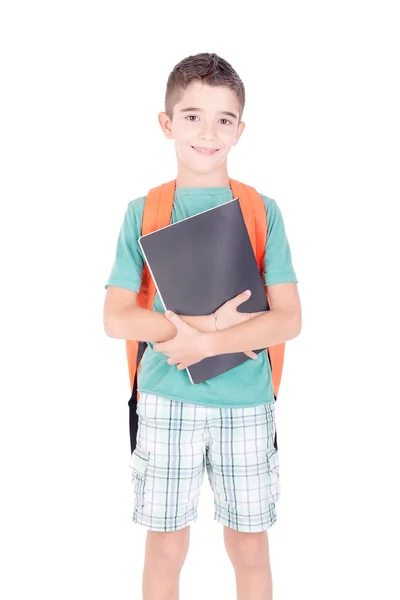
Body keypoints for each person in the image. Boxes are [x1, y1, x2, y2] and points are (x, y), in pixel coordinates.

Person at [103, 52, 301, 600]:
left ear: (241, 130)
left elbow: (289, 318)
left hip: (248, 403)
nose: (207, 132)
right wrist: (180, 334)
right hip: (166, 403)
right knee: (166, 549)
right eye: (192, 116)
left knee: (250, 548)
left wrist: (210, 340)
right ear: (166, 124)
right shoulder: (143, 211)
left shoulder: (263, 210)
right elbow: (116, 317)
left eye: (223, 119)